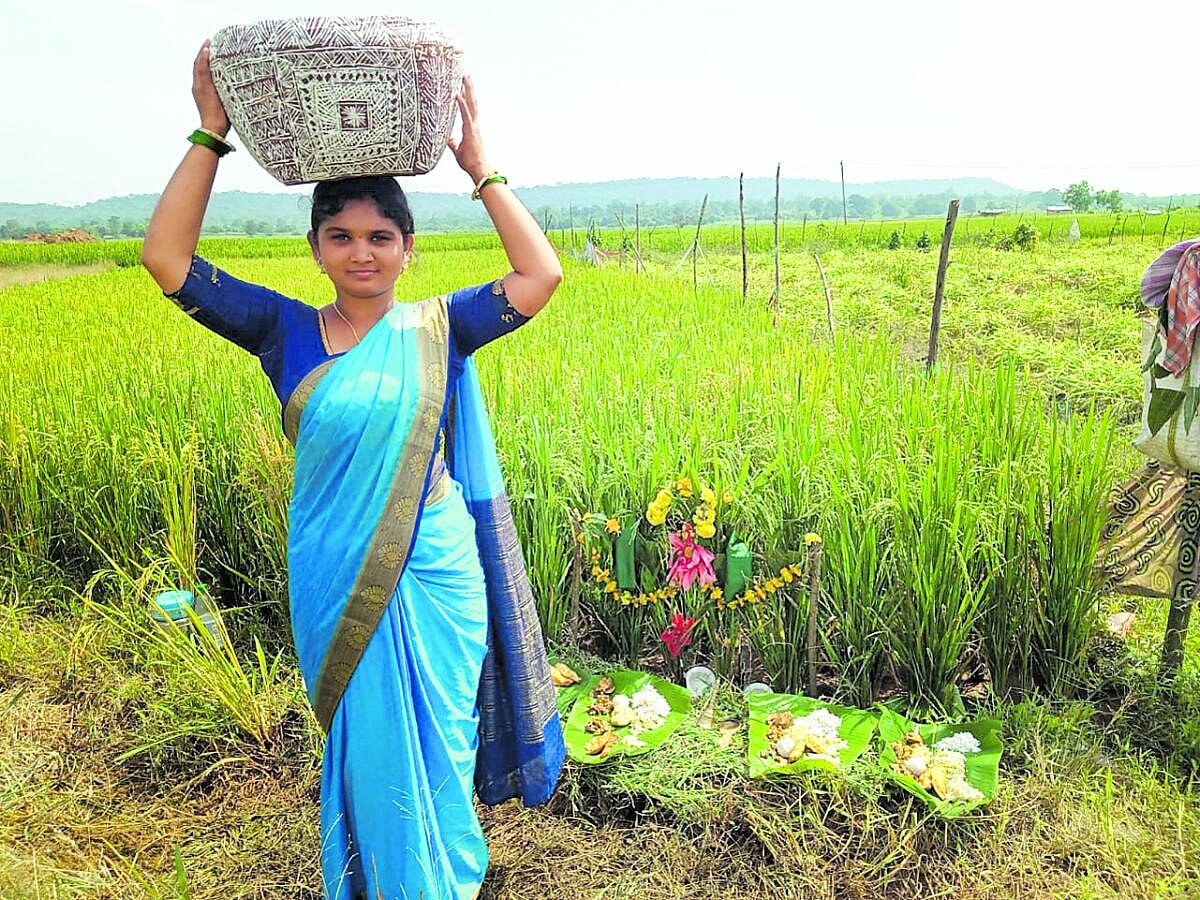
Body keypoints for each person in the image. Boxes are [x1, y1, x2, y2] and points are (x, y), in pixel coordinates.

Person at [141, 39, 566, 900]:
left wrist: (481, 166)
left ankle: (437, 879)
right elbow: (168, 262)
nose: (360, 252)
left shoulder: (443, 326)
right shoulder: (283, 331)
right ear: (315, 246)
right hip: (336, 574)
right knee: (368, 745)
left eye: (380, 236)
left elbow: (540, 273)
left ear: (408, 248)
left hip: (436, 573)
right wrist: (209, 134)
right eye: (340, 235)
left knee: (435, 739)